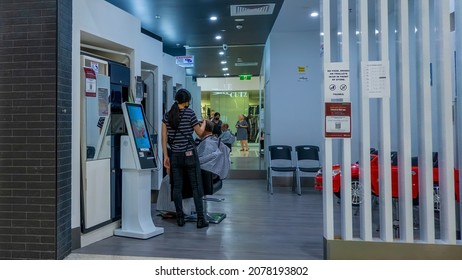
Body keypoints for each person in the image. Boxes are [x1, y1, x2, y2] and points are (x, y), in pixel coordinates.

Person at [162, 88, 209, 228]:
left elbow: (164, 137)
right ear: (187, 101)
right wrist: (204, 123)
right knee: (196, 187)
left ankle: (180, 218)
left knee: (177, 187)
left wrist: (166, 156)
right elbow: (200, 133)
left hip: (175, 155)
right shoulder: (190, 113)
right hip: (189, 154)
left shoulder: (167, 115)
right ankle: (201, 219)